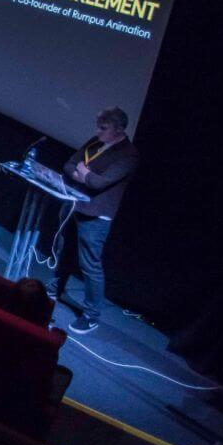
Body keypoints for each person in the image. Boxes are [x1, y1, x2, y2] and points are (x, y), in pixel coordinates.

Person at [52, 106, 139, 334]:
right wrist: (80, 174)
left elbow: (100, 183)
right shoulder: (95, 142)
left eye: (103, 128)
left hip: (96, 215)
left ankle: (91, 315)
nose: (97, 131)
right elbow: (69, 163)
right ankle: (55, 288)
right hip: (75, 203)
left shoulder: (128, 155)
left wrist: (84, 172)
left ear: (119, 130)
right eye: (98, 127)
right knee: (65, 249)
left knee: (90, 265)